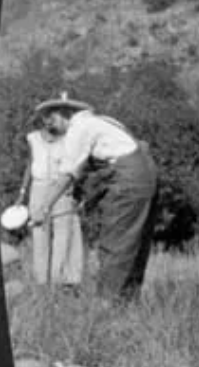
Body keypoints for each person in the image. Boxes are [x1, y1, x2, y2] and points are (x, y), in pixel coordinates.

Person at [31, 95, 158, 301]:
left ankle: (107, 305)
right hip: (146, 175)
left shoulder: (78, 128)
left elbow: (67, 174)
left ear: (65, 115)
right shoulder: (105, 121)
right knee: (136, 243)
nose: (50, 127)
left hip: (127, 179)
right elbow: (131, 151)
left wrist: (44, 207)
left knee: (116, 241)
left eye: (51, 120)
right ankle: (128, 303)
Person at [17, 114, 84, 288]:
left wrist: (77, 192)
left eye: (54, 116)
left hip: (62, 188)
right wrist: (22, 193)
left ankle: (60, 282)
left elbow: (75, 168)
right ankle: (41, 283)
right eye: (47, 116)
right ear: (42, 118)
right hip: (38, 188)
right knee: (39, 234)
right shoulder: (32, 138)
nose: (50, 121)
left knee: (63, 235)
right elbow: (29, 165)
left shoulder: (69, 138)